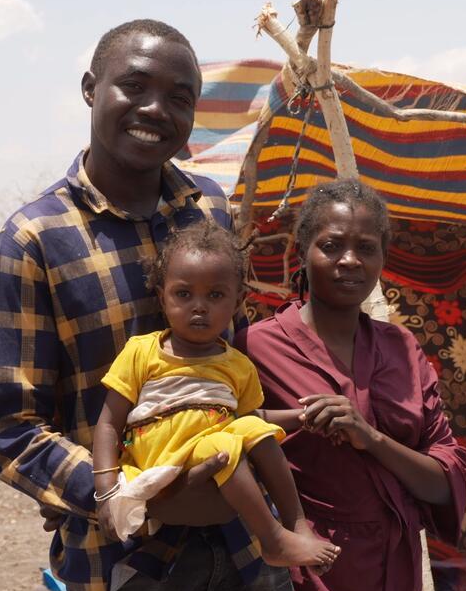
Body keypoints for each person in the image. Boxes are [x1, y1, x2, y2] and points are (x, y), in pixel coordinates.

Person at [0, 19, 297, 591]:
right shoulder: (34, 239)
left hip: (245, 550)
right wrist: (116, 494)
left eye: (180, 97)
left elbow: (233, 356)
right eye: (135, 86)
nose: (157, 109)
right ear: (90, 89)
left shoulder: (208, 207)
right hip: (124, 569)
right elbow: (9, 427)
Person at [235, 179, 466, 591]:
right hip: (311, 590)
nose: (350, 260)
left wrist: (372, 439)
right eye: (331, 245)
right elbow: (222, 438)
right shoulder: (257, 348)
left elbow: (445, 478)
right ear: (303, 249)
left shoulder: (400, 346)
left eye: (367, 247)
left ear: (382, 257)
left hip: (397, 585)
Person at [91, 220, 339, 571]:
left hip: (216, 446)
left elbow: (251, 419)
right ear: (162, 297)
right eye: (183, 294)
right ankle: (271, 539)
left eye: (215, 295)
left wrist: (300, 417)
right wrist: (105, 488)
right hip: (161, 451)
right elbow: (108, 423)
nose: (199, 306)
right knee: (225, 445)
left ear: (238, 301)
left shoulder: (237, 364)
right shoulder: (142, 351)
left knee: (258, 433)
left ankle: (296, 523)